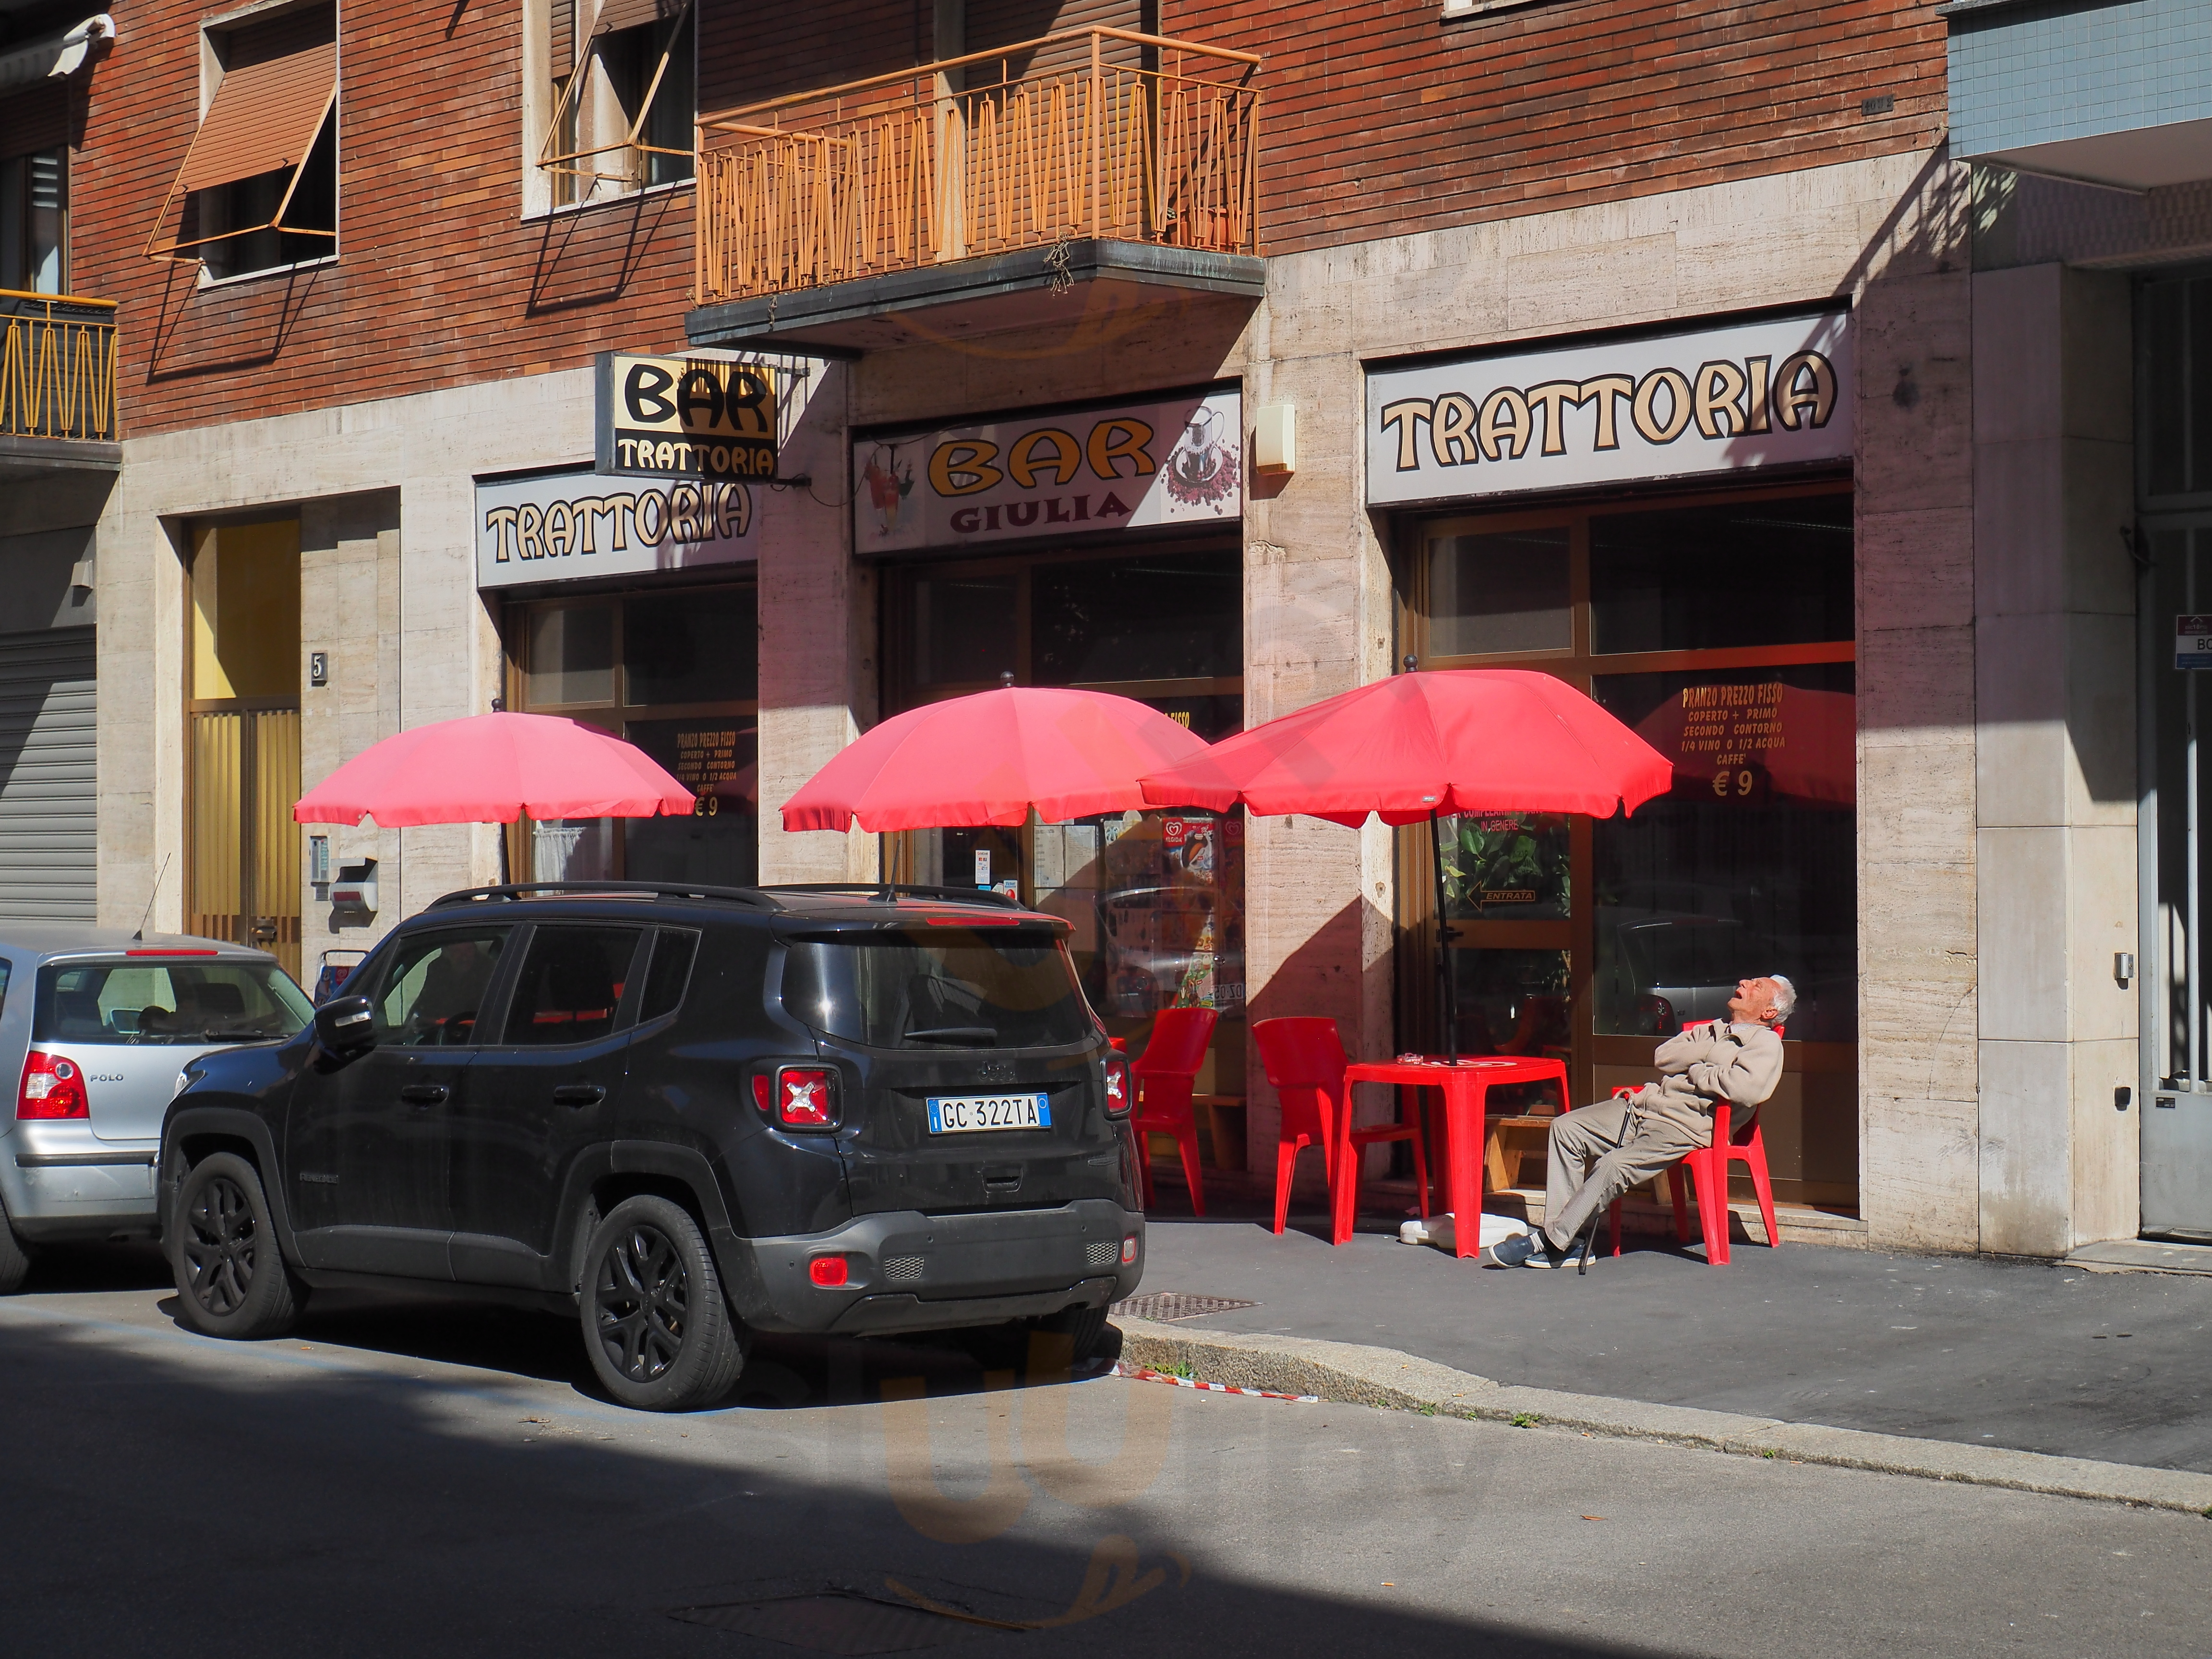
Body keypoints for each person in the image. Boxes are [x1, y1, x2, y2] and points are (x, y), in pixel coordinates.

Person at [1488, 974, 1794, 1269]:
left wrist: (1699, 1072)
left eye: (1756, 986)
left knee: (1612, 1165)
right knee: (1566, 1128)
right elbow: (1663, 1057)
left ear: (1769, 1011)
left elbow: (1746, 1089)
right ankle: (1570, 1241)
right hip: (1644, 1107)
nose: (1744, 983)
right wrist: (1711, 1056)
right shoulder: (1711, 1030)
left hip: (1684, 1126)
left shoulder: (1765, 1044)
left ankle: (1548, 1241)